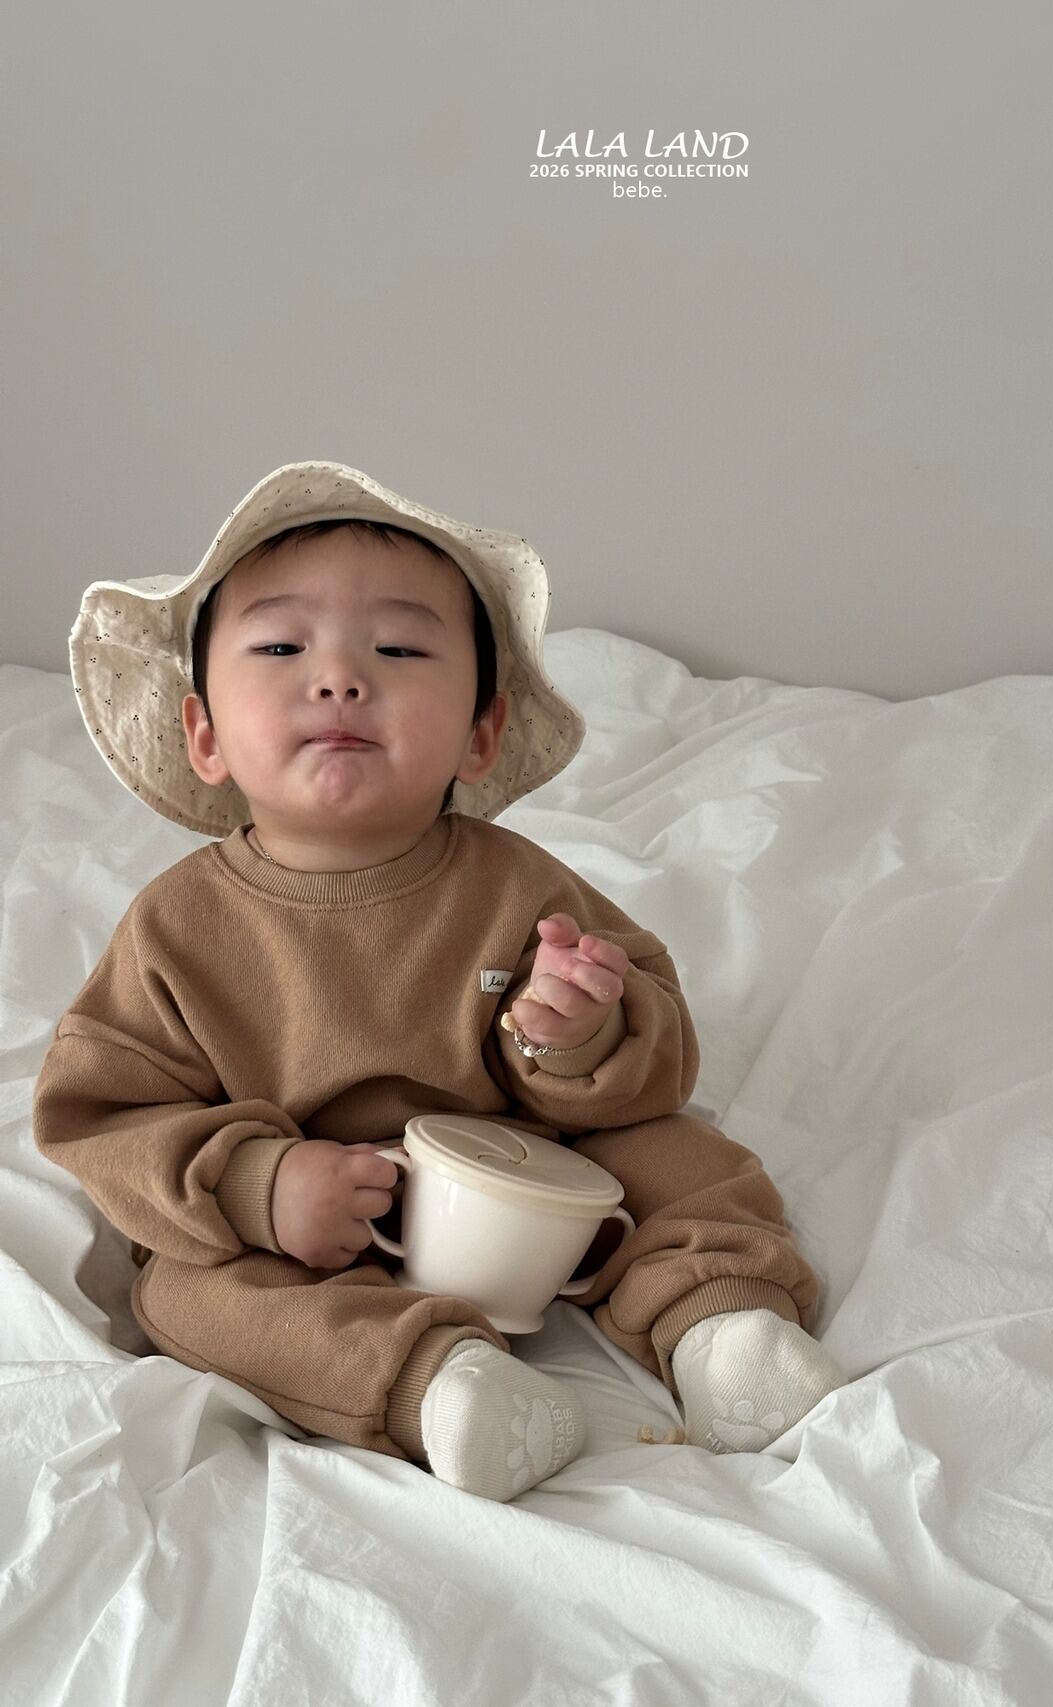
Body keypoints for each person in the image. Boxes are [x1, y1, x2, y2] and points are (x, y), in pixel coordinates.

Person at [31, 459, 847, 1503]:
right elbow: (103, 1114)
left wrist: (577, 1033)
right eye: (281, 647)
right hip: (311, 1231)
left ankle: (719, 1325)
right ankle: (440, 1384)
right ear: (204, 735)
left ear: (480, 733)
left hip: (532, 1176)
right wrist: (257, 1185)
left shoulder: (519, 885)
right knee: (188, 1298)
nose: (338, 677)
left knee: (680, 1152)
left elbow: (657, 1051)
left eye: (400, 649)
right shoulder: (176, 928)